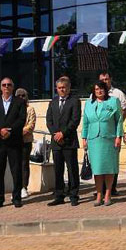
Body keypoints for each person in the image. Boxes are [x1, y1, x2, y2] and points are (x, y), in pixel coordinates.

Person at [81, 80, 124, 206]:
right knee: (97, 169)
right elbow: (85, 122)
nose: (99, 91)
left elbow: (119, 120)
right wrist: (84, 138)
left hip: (109, 139)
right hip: (94, 140)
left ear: (105, 90)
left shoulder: (113, 101)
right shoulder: (89, 103)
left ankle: (108, 194)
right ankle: (99, 194)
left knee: (109, 168)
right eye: (96, 89)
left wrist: (118, 136)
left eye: (101, 89)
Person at [0, 77, 27, 208]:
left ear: (12, 87)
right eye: (4, 85)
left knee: (16, 171)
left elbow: (21, 120)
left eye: (9, 85)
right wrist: (0, 130)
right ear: (0, 87)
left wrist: (10, 131)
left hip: (14, 141)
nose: (6, 87)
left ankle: (17, 198)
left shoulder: (19, 102)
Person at [45, 77, 82, 206]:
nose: (62, 90)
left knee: (72, 169)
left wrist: (63, 133)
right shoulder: (53, 102)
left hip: (69, 141)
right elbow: (49, 120)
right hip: (56, 142)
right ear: (56, 89)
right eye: (60, 88)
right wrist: (55, 134)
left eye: (64, 87)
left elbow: (75, 120)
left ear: (69, 88)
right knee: (58, 170)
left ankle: (73, 195)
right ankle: (59, 196)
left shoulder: (74, 101)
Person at [99, 72, 126, 196]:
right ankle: (101, 189)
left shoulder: (118, 93)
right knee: (101, 160)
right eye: (102, 80)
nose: (104, 81)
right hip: (100, 134)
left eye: (106, 79)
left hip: (114, 133)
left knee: (112, 160)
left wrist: (118, 127)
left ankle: (112, 188)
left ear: (110, 79)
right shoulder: (94, 94)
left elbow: (124, 111)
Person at [15, 88, 36, 199]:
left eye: (23, 95)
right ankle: (16, 188)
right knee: (15, 165)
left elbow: (31, 125)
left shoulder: (30, 109)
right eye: (19, 95)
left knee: (24, 164)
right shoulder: (13, 109)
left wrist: (18, 132)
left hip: (26, 141)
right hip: (14, 141)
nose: (21, 97)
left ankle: (24, 187)